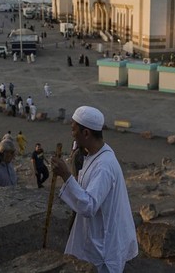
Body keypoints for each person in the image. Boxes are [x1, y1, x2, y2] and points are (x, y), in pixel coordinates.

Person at [51, 106, 138, 272]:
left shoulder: (104, 165)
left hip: (103, 248)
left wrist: (66, 175)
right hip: (93, 237)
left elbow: (89, 205)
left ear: (86, 133)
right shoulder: (94, 154)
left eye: (73, 129)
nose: (72, 134)